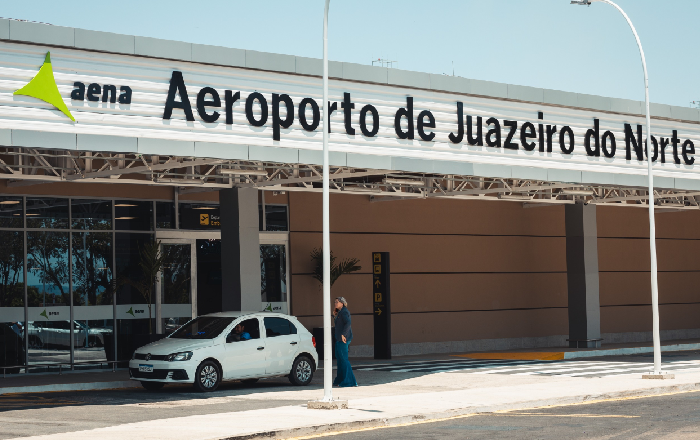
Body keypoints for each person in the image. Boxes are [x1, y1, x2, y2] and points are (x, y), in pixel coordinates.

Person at [333, 297, 357, 387]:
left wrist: (343, 334)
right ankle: (340, 379)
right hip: (339, 339)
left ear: (342, 303)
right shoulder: (339, 312)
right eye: (335, 302)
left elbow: (348, 323)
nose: (335, 303)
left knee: (344, 360)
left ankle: (349, 381)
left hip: (343, 339)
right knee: (340, 360)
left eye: (337, 302)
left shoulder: (344, 312)